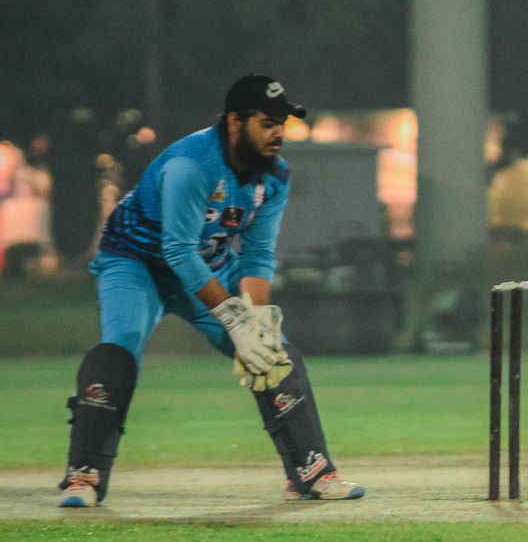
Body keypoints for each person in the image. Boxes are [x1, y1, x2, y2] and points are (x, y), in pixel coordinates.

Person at [58, 74, 365, 507]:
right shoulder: (191, 165)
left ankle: (310, 472)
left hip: (207, 261)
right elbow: (178, 251)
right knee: (118, 350)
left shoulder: (274, 176)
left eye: (282, 123)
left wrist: (255, 323)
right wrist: (235, 320)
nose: (279, 133)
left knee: (273, 353)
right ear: (235, 122)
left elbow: (258, 254)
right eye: (267, 123)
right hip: (135, 261)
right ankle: (84, 475)